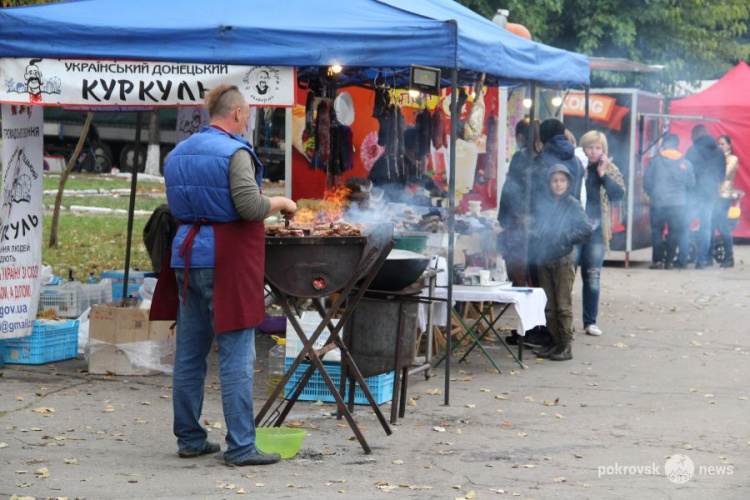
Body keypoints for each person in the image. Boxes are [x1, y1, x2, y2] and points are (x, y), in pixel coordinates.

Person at [153, 84, 297, 466]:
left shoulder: (178, 153)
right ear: (236, 114)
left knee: (190, 352)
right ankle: (241, 447)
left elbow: (178, 203)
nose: (247, 119)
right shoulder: (234, 151)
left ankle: (189, 439)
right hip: (226, 260)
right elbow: (250, 207)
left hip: (187, 256)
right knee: (236, 353)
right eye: (247, 114)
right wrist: (282, 201)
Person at [529, 164, 592, 361]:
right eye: (555, 180)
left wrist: (565, 237)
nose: (558, 184)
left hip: (563, 259)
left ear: (568, 183)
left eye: (562, 181)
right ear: (549, 183)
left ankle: (566, 344)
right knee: (548, 305)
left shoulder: (572, 204)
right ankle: (554, 342)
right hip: (544, 257)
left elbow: (585, 230)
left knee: (563, 305)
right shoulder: (543, 203)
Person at [576, 131, 625, 336]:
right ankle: (563, 320)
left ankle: (590, 321)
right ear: (583, 148)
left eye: (598, 148)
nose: (594, 152)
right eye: (590, 147)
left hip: (597, 231)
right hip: (574, 229)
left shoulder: (609, 168)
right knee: (567, 276)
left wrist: (603, 175)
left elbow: (618, 194)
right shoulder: (576, 166)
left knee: (592, 277)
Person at [643, 134, 695, 269]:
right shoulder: (685, 163)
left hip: (658, 204)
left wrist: (653, 194)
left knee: (657, 232)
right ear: (677, 145)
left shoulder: (655, 162)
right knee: (674, 232)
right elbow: (691, 184)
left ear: (664, 144)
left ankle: (657, 261)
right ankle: (669, 262)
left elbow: (647, 182)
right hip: (678, 205)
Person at [685, 125, 726, 269]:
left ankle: (682, 260)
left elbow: (686, 172)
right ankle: (702, 260)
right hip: (710, 194)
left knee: (685, 225)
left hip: (694, 193)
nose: (691, 138)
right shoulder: (719, 151)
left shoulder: (692, 150)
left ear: (698, 134)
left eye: (692, 135)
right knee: (706, 227)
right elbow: (722, 175)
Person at [368, 127, 441, 205]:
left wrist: (432, 186)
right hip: (378, 205)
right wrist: (413, 199)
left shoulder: (405, 159)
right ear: (409, 148)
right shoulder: (390, 162)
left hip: (391, 205)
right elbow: (392, 191)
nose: (419, 156)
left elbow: (417, 176)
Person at [713, 134, 738, 268]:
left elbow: (725, 174)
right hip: (714, 195)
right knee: (711, 224)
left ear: (729, 145)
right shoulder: (717, 157)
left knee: (722, 226)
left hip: (724, 196)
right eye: (719, 144)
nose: (720, 146)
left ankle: (729, 257)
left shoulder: (732, 158)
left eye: (723, 144)